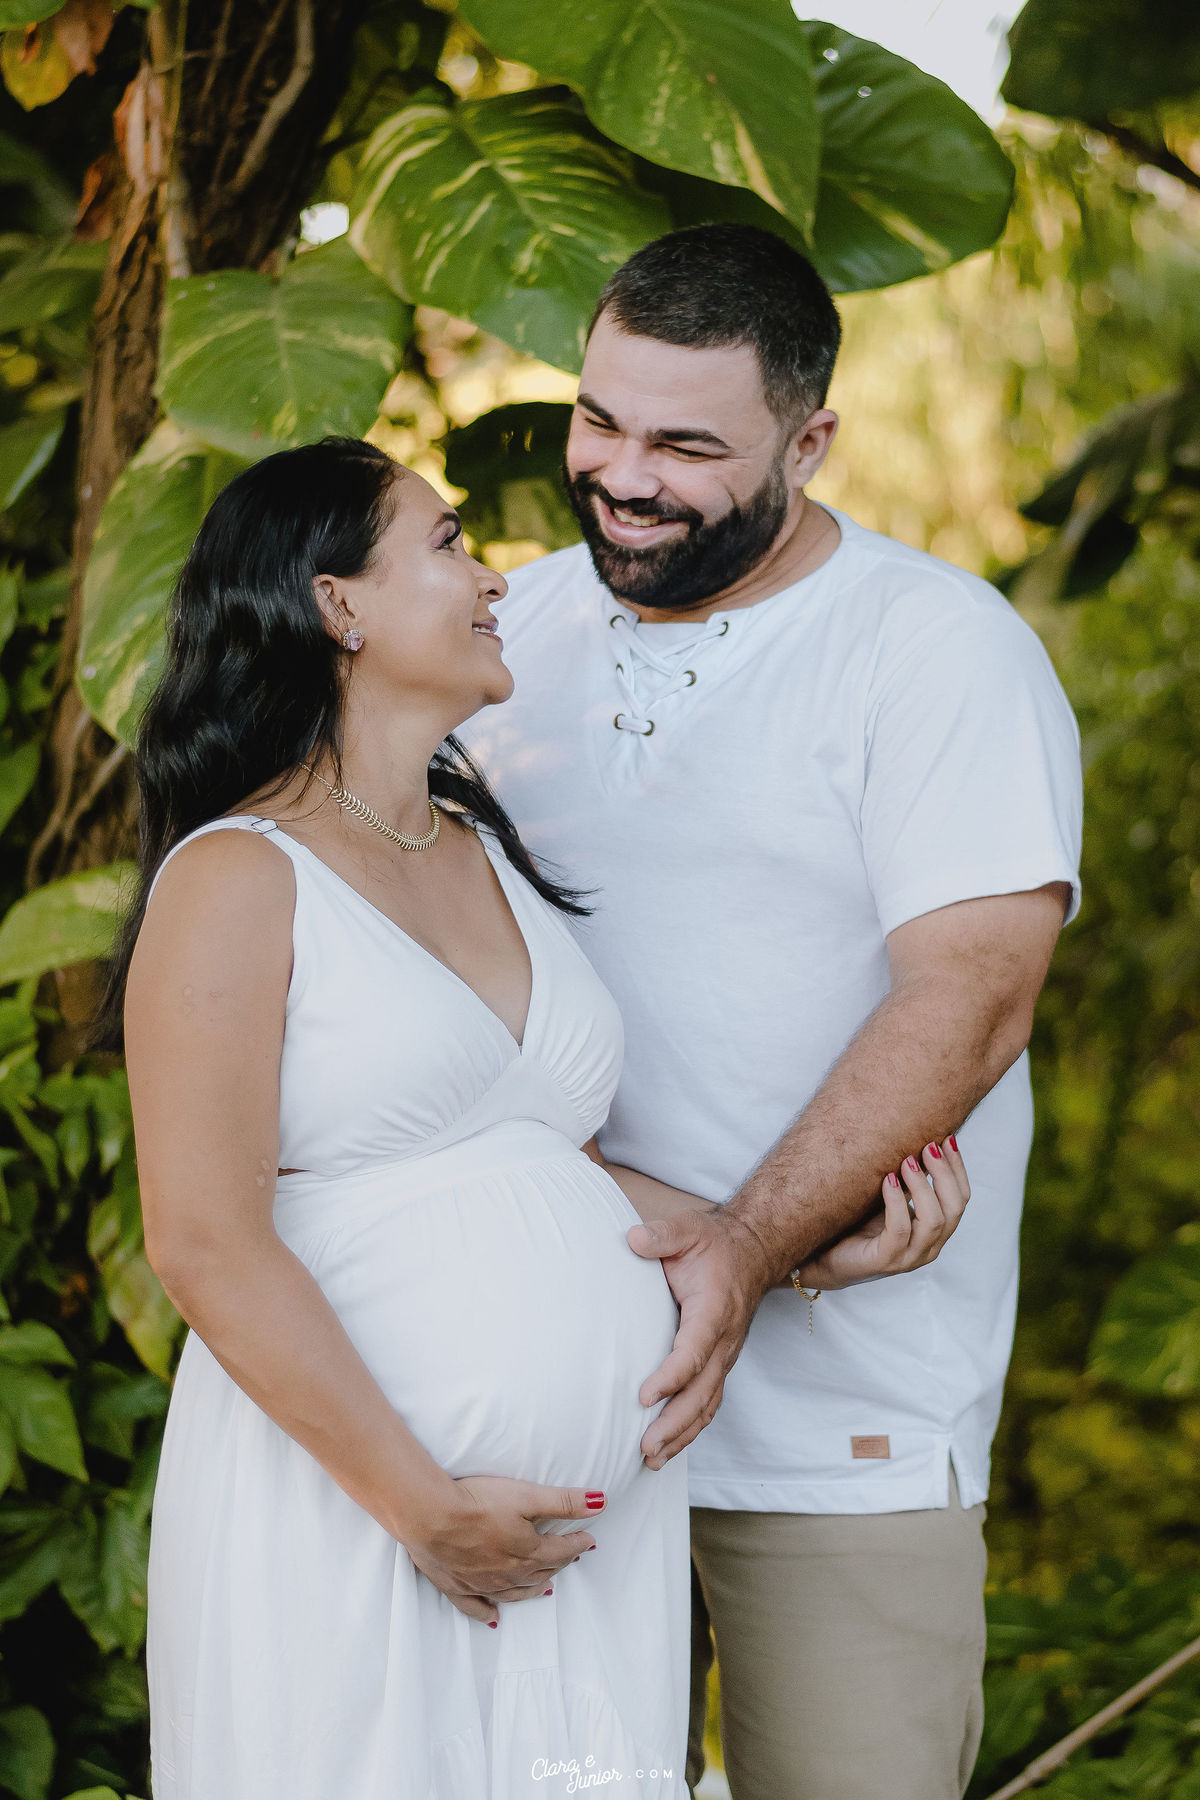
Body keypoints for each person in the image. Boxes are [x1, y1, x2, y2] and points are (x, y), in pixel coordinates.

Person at [105, 436, 967, 1800]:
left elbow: (553, 1176)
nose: (494, 577)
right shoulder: (237, 877)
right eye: (448, 544)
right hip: (366, 1509)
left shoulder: (484, 853)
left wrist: (797, 1247)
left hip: (580, 1553)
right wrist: (420, 1507)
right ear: (338, 605)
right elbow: (203, 1238)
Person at [458, 223, 1084, 1800]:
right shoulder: (495, 636)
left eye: (687, 447)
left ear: (809, 444)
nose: (624, 477)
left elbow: (974, 996)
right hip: (554, 1388)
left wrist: (751, 1251)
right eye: (599, 421)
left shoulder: (936, 649)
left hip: (844, 1425)